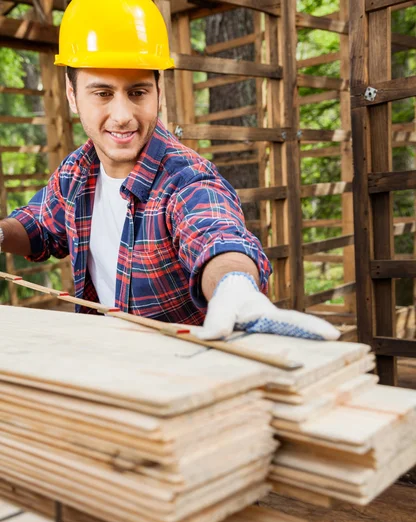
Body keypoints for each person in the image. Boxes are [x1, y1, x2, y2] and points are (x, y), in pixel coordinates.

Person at [0, 0, 339, 342]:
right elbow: (39, 226)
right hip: (109, 360)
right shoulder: (75, 172)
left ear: (159, 93)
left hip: (184, 372)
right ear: (73, 96)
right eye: (102, 93)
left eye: (137, 92)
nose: (122, 115)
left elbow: (215, 233)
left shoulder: (186, 178)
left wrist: (234, 285)